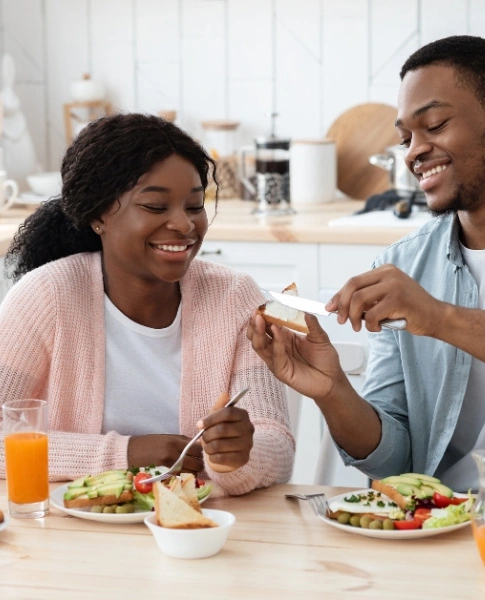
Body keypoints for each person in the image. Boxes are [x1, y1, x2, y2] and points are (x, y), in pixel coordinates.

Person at [248, 35, 485, 500]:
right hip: (442, 530)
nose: (414, 151)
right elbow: (396, 462)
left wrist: (440, 318)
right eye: (406, 138)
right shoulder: (402, 264)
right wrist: (332, 391)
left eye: (434, 124)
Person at [0, 113, 294, 495]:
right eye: (156, 207)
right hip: (73, 536)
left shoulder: (235, 298)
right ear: (98, 215)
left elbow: (279, 449)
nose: (185, 225)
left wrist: (237, 458)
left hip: (200, 535)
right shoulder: (46, 297)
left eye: (194, 206)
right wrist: (125, 453)